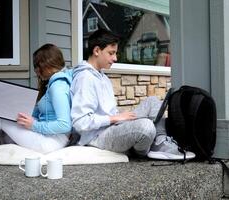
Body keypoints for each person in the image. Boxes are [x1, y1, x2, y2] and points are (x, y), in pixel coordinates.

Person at [70, 28, 187, 160]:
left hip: (113, 126)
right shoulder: (85, 78)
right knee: (146, 127)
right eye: (111, 53)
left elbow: (107, 111)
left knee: (153, 101)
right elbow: (80, 122)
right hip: (97, 137)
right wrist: (115, 118)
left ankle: (159, 141)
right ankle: (143, 147)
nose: (115, 58)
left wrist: (121, 116)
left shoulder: (102, 77)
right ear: (96, 51)